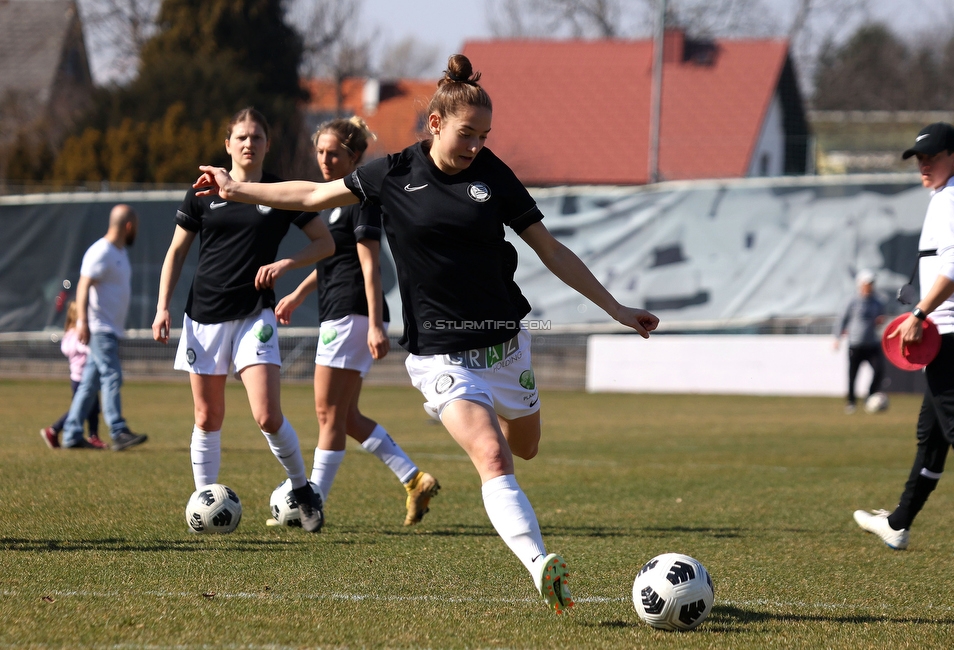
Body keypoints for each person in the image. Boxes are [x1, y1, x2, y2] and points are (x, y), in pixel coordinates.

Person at [193, 56, 659, 613]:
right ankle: (541, 566)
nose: (476, 146)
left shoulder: (494, 175)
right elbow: (312, 198)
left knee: (524, 447)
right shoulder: (391, 173)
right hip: (442, 358)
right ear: (435, 123)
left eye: (485, 136)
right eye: (467, 134)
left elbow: (551, 250)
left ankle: (509, 443)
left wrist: (615, 308)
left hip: (507, 347)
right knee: (492, 455)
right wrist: (236, 190)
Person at [152, 107, 334, 533]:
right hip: (204, 317)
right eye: (242, 137)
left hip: (256, 313)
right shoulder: (203, 192)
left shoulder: (279, 191)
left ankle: (302, 490)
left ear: (267, 145)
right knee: (206, 417)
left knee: (267, 415)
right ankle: (205, 501)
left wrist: (286, 264)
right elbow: (176, 252)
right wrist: (162, 306)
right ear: (228, 144)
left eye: (257, 137)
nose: (249, 143)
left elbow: (325, 244)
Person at [273, 116, 440, 527]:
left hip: (351, 313)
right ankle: (414, 478)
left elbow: (369, 266)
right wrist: (298, 293)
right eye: (320, 152)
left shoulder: (360, 200)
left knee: (327, 413)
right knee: (345, 416)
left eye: (334, 153)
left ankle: (311, 503)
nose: (325, 159)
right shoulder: (332, 203)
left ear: (354, 157)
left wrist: (376, 325)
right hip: (344, 311)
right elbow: (334, 259)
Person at [853, 122, 954, 557]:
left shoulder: (952, 200)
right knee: (933, 435)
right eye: (919, 158)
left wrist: (921, 312)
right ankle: (898, 524)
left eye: (933, 157)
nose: (924, 164)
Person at [59, 204, 146, 451]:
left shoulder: (119, 252)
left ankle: (71, 434)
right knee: (112, 374)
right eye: (135, 228)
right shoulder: (101, 252)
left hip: (110, 328)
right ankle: (118, 430)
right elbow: (83, 286)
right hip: (99, 327)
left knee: (89, 384)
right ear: (128, 226)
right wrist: (83, 323)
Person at [39, 300, 104, 449]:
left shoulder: (68, 334)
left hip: (75, 377)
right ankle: (55, 430)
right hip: (84, 378)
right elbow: (88, 350)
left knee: (88, 407)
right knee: (83, 407)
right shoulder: (79, 334)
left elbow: (66, 349)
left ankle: (90, 435)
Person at [833, 269, 886, 414]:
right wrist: (837, 338)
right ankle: (851, 402)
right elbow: (842, 319)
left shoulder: (878, 302)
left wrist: (880, 321)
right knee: (853, 374)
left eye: (872, 283)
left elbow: (880, 319)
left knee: (879, 370)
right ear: (861, 284)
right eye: (868, 283)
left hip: (872, 343)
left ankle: (870, 396)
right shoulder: (852, 301)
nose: (871, 286)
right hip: (856, 343)